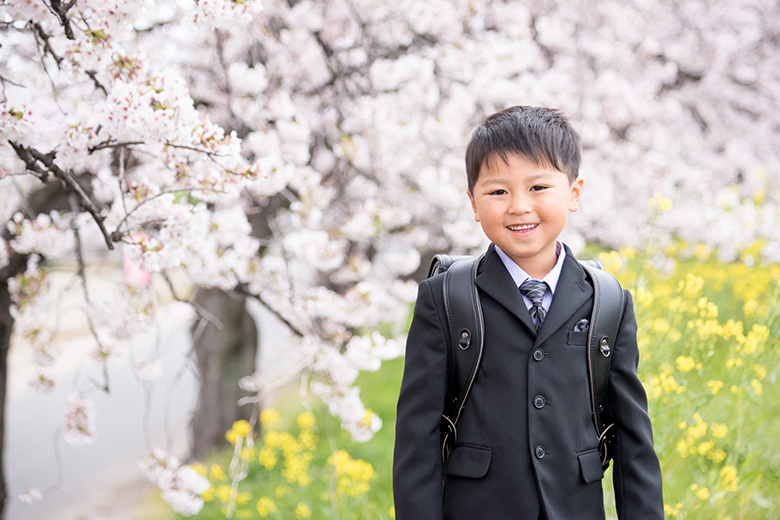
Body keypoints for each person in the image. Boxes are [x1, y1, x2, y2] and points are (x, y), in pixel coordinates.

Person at [393, 106, 663, 519]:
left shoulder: (608, 301)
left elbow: (633, 441)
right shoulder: (446, 299)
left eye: (538, 187)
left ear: (574, 193)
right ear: (473, 203)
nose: (519, 206)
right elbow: (417, 439)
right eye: (498, 192)